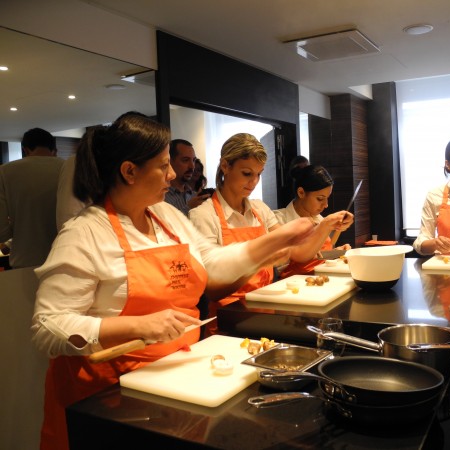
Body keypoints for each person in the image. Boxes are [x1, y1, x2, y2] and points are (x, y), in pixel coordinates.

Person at [31, 115, 314, 450]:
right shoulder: (84, 233)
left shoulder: (166, 217)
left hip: (172, 381)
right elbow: (48, 327)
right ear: (129, 171)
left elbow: (211, 267)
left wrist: (272, 242)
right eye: (163, 165)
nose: (173, 174)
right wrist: (138, 326)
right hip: (108, 398)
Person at [189, 133, 351, 331]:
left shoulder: (260, 209)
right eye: (247, 173)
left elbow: (298, 253)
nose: (254, 182)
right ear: (225, 166)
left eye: (259, 174)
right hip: (228, 320)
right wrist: (260, 258)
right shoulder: (203, 216)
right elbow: (212, 289)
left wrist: (325, 225)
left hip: (265, 308)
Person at [0, 127, 64, 268]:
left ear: (25, 150)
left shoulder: (5, 172)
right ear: (54, 149)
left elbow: (1, 233)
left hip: (25, 260)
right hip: (65, 258)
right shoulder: (68, 168)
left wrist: (20, 226)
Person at [274, 164, 354, 277]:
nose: (326, 205)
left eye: (327, 198)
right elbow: (279, 265)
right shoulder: (277, 220)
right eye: (320, 199)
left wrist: (336, 252)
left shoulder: (319, 219)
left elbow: (320, 256)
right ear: (301, 192)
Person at [164, 139, 204, 215]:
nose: (192, 166)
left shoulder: (195, 196)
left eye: (193, 160)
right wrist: (189, 207)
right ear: (170, 162)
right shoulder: (161, 198)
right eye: (185, 160)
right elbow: (165, 222)